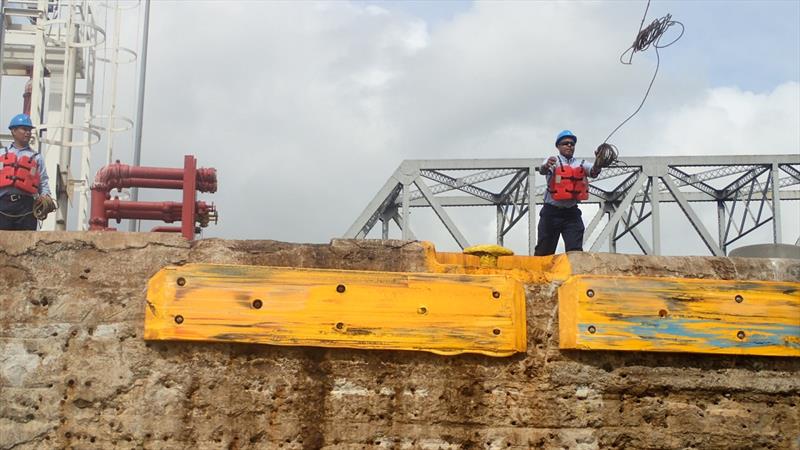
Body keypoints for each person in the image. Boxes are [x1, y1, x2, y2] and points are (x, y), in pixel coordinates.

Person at [534, 129, 602, 256]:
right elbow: (543, 169)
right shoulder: (552, 161)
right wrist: (546, 165)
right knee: (544, 252)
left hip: (571, 214)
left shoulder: (581, 163)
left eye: (572, 143)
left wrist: (599, 162)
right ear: (558, 146)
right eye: (565, 143)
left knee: (575, 253)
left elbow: (593, 172)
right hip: (551, 213)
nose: (569, 145)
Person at [0, 114, 55, 230]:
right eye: (24, 129)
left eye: (29, 130)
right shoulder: (1, 154)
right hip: (3, 205)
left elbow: (43, 181)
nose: (28, 133)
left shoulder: (37, 157)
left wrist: (45, 197)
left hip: (27, 206)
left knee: (26, 241)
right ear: (13, 131)